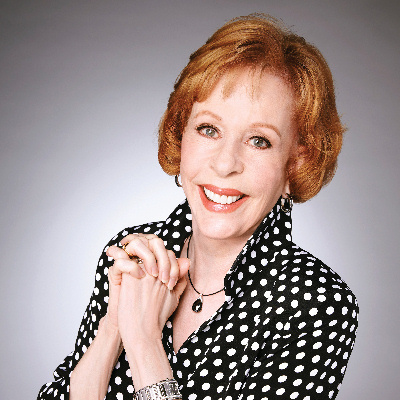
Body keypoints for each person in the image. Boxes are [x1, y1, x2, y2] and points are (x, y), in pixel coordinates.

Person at [38, 14, 358, 400]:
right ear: (181, 133)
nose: (225, 164)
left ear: (296, 164)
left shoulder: (314, 304)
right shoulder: (132, 254)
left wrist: (142, 342)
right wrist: (113, 329)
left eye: (259, 140)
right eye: (209, 129)